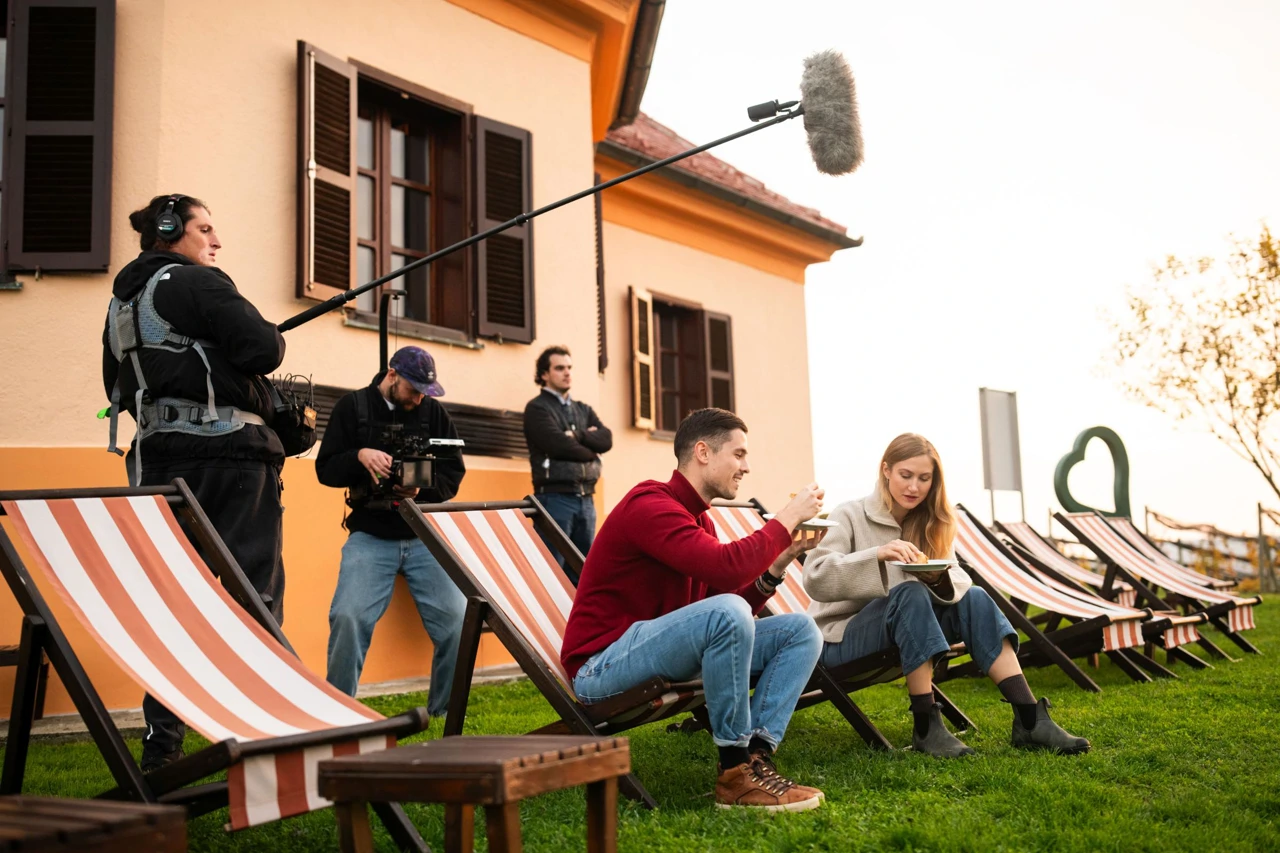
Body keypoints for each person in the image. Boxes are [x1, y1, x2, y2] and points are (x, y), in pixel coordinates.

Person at [561, 408, 828, 811]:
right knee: (727, 613)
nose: (747, 467)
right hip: (603, 667)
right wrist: (787, 517)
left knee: (800, 631)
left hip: (658, 654)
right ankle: (734, 770)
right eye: (738, 455)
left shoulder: (698, 522)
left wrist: (778, 563)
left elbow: (731, 602)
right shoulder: (649, 505)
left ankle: (753, 759)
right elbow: (727, 577)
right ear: (703, 452)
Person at [102, 194, 288, 772]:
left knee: (173, 603)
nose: (216, 241)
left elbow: (117, 383)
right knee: (253, 596)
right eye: (205, 228)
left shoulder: (122, 301)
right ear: (169, 231)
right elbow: (265, 347)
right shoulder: (198, 283)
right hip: (228, 462)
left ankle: (161, 751)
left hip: (156, 463)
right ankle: (268, 737)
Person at [803, 433, 1091, 758]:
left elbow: (957, 582)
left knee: (977, 598)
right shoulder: (849, 514)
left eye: (924, 478)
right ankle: (926, 727)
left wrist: (938, 579)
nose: (914, 487)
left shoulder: (930, 522)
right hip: (840, 639)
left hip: (903, 630)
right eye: (906, 475)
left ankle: (1028, 718)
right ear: (886, 470)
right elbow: (816, 577)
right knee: (909, 592)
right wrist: (878, 555)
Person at [315, 346, 467, 721]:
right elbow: (325, 470)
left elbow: (454, 475)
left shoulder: (433, 413)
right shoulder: (352, 408)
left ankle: (445, 712)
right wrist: (359, 457)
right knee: (348, 617)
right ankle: (338, 715)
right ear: (391, 374)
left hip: (423, 536)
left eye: (424, 391)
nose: (418, 398)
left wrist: (421, 489)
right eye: (413, 388)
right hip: (369, 534)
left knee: (458, 621)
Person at [522, 346, 611, 579]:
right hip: (554, 500)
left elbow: (607, 439)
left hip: (586, 501)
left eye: (569, 367)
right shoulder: (537, 408)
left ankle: (575, 617)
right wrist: (591, 450)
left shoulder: (583, 409)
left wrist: (578, 436)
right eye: (559, 368)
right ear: (544, 374)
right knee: (550, 573)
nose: (567, 372)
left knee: (582, 574)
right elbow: (558, 445)